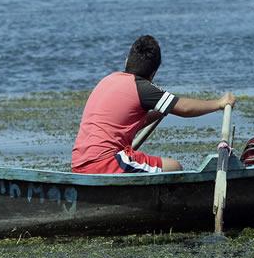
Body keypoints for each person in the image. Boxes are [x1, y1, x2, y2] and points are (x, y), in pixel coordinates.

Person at [71, 35, 236, 174]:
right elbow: (184, 108)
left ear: (127, 60)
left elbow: (128, 123)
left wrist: (159, 112)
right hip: (105, 164)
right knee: (174, 167)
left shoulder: (108, 80)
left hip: (79, 163)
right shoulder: (143, 88)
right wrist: (219, 103)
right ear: (154, 73)